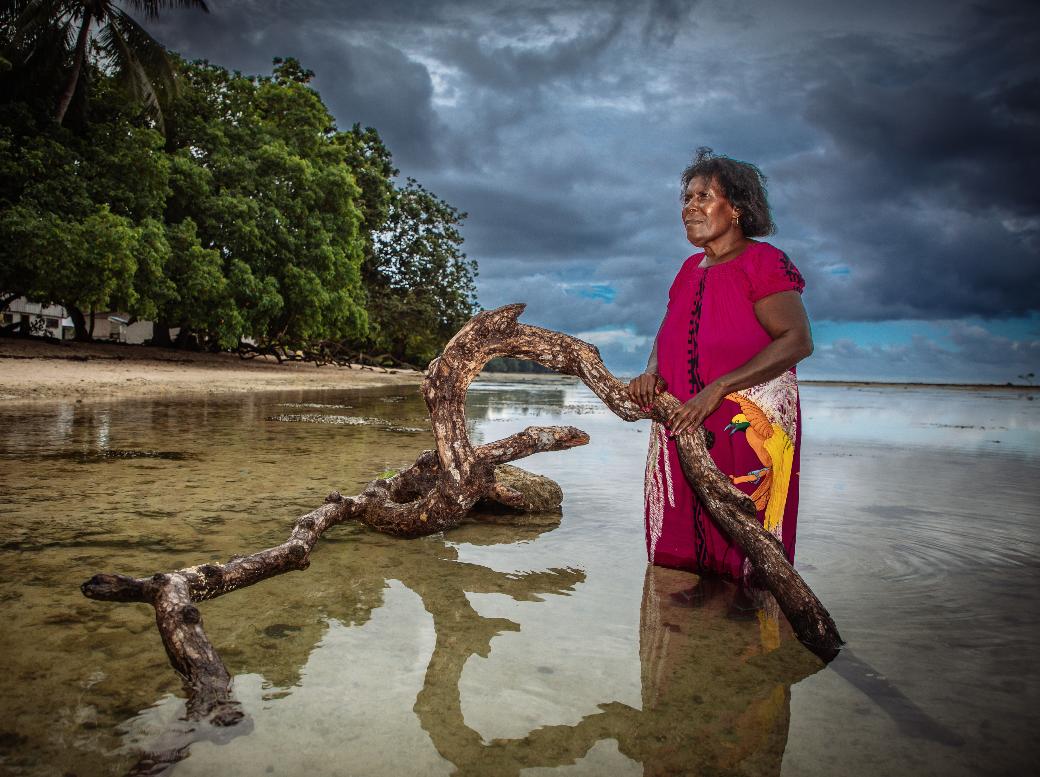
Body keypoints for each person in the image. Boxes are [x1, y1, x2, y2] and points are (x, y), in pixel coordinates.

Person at [628, 148, 813, 582]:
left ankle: (751, 622)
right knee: (679, 550)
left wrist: (717, 390)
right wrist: (652, 373)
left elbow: (797, 340)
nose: (690, 207)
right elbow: (667, 331)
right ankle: (689, 624)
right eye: (687, 198)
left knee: (747, 538)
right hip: (682, 418)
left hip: (746, 424)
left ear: (738, 209)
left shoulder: (764, 262)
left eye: (704, 197)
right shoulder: (689, 268)